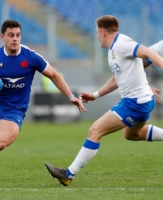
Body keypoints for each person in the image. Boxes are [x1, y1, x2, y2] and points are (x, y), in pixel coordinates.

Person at [45, 15, 163, 186]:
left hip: (135, 103)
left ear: (102, 32)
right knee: (132, 134)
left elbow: (149, 53)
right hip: (142, 100)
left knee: (95, 131)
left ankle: (68, 174)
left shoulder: (122, 44)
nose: (96, 36)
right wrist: (95, 95)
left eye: (96, 32)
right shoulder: (113, 50)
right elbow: (117, 77)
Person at [0, 20, 87, 178]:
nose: (15, 39)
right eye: (11, 35)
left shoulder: (31, 57)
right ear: (2, 37)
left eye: (18, 35)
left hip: (14, 110)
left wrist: (70, 96)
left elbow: (54, 75)